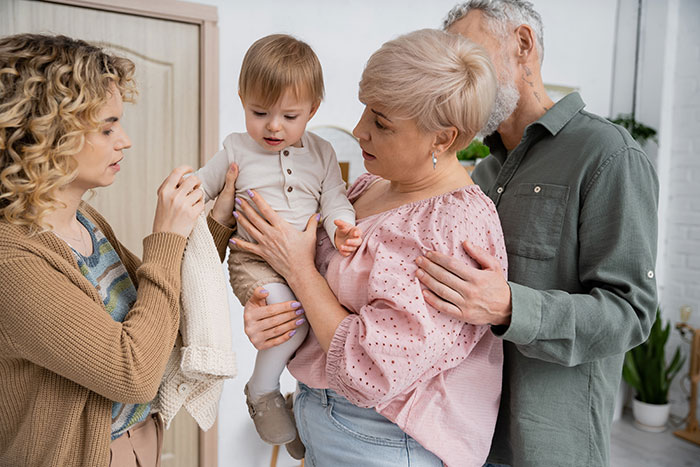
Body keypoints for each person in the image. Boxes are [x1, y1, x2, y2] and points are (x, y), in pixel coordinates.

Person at [236, 29, 507, 466]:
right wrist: (269, 314)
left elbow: (373, 369)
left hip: (383, 440)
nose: (360, 130)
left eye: (381, 123)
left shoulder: (454, 227)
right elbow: (310, 295)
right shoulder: (369, 187)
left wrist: (299, 272)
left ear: (442, 139)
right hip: (324, 418)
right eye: (366, 110)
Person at [412, 1, 659, 466]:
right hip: (461, 437)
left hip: (549, 447)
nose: (459, 80)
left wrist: (509, 306)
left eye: (469, 55)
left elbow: (631, 313)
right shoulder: (478, 174)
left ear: (522, 45)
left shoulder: (608, 154)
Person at [0, 34, 237, 467]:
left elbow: (160, 306)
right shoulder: (11, 261)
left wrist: (214, 227)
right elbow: (134, 372)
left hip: (140, 442)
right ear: (46, 132)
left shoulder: (84, 220)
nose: (124, 140)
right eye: (107, 127)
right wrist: (165, 234)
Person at [195, 33, 360, 445]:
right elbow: (202, 187)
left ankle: (298, 405)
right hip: (253, 260)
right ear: (241, 99)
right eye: (259, 111)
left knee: (316, 321)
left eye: (289, 116)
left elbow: (335, 197)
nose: (272, 126)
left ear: (312, 110)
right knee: (289, 318)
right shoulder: (236, 148)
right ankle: (262, 390)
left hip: (302, 260)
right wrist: (185, 195)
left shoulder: (322, 153)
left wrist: (341, 225)